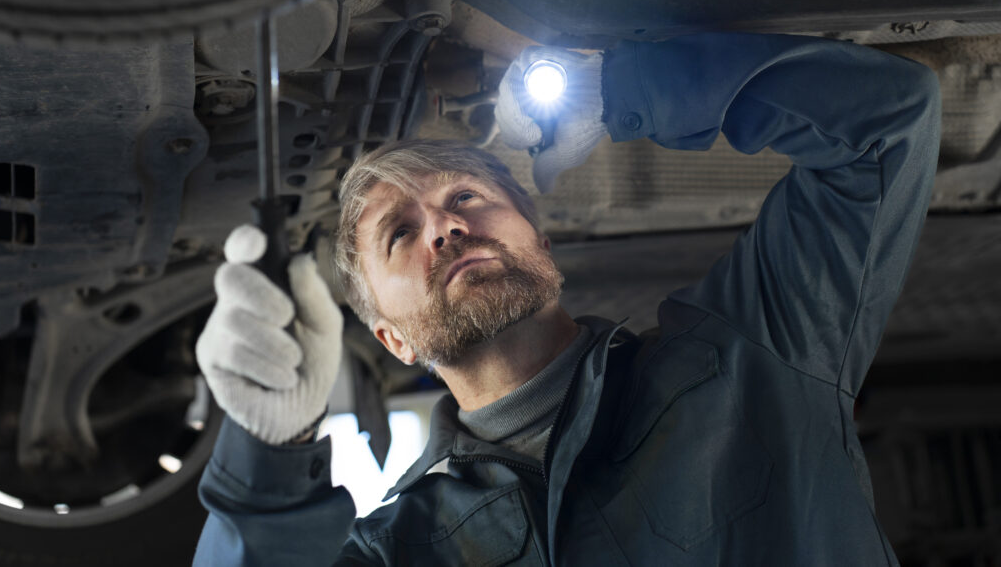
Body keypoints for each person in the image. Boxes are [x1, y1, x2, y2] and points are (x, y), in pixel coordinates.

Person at [192, 32, 940, 565]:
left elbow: (884, 122)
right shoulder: (401, 549)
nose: (447, 225)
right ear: (392, 339)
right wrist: (270, 458)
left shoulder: (752, 351)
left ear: (540, 238)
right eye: (400, 232)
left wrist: (618, 90)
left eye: (466, 195)